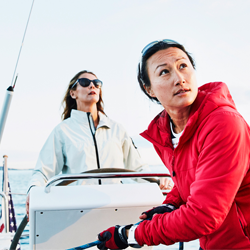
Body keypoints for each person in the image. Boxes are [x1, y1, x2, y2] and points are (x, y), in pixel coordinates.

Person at [97, 40, 250, 249]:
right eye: (164, 72)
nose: (179, 79)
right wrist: (171, 203)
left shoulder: (224, 124)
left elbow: (203, 216)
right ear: (148, 89)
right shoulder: (166, 134)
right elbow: (186, 178)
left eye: (183, 66)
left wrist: (130, 234)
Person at [26, 70, 173, 220]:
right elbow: (43, 171)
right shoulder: (62, 131)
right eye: (84, 83)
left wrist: (157, 181)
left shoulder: (117, 129)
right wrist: (33, 190)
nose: (92, 86)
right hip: (78, 212)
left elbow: (137, 168)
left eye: (97, 84)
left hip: (116, 208)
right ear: (73, 93)